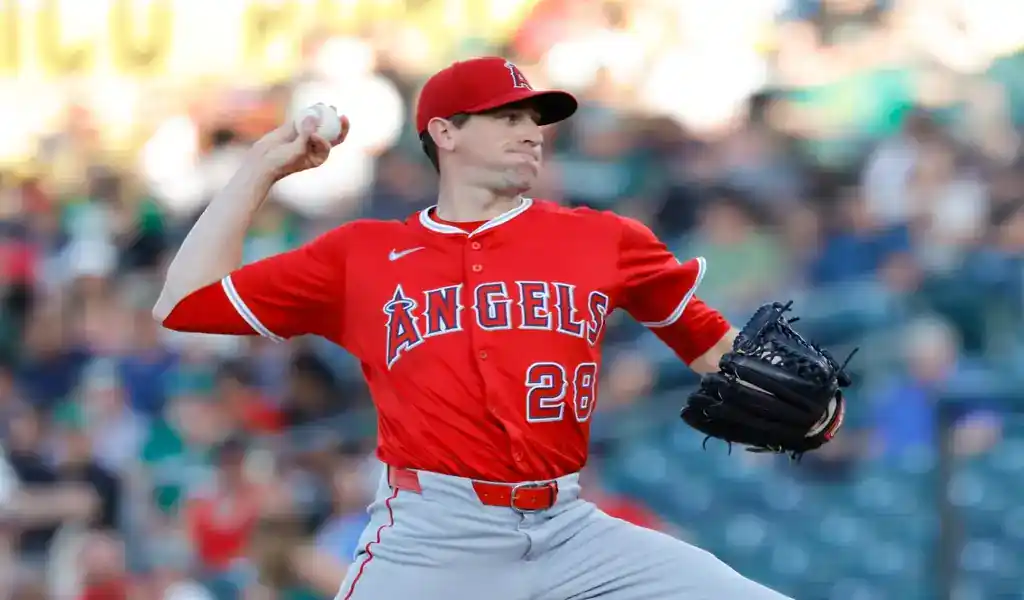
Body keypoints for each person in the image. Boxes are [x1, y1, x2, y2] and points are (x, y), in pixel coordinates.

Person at [153, 56, 793, 599]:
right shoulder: (359, 255)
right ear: (445, 133)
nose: (531, 133)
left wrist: (808, 410)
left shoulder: (603, 240)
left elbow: (713, 345)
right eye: (507, 117)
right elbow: (184, 304)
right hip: (434, 535)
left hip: (571, 528)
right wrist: (263, 167)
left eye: (535, 120)